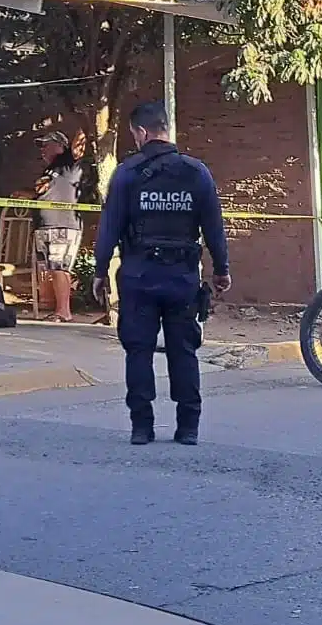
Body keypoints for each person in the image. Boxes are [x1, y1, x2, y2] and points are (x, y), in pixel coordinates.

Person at [93, 102, 230, 446]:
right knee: (183, 350)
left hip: (139, 276)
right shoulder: (197, 173)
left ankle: (142, 426)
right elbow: (214, 228)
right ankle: (188, 427)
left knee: (138, 350)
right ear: (166, 129)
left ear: (140, 133)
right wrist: (221, 270)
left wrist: (99, 271)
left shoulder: (127, 173)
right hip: (182, 277)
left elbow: (109, 228)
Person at [32, 130, 84, 321]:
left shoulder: (68, 163)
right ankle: (59, 309)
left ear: (60, 146)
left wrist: (83, 114)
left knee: (59, 267)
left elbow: (79, 143)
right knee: (53, 268)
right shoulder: (50, 170)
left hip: (63, 225)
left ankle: (64, 311)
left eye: (47, 144)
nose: (43, 150)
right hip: (46, 225)